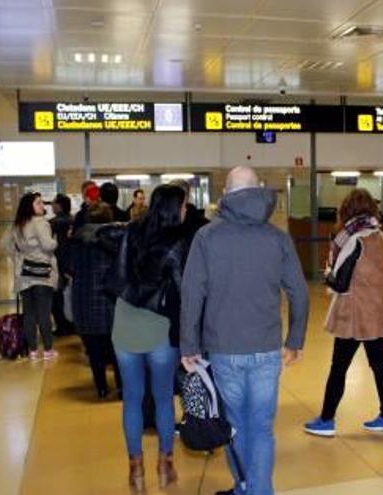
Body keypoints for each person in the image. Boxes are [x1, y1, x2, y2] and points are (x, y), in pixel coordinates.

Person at [181, 166, 310, 495]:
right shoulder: (277, 237)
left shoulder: (207, 237)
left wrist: (188, 345)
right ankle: (257, 489)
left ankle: (248, 488)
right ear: (260, 192)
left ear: (225, 195)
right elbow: (299, 291)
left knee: (236, 426)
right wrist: (295, 340)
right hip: (267, 348)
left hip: (224, 349)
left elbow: (192, 293)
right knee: (263, 428)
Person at [110, 185, 190, 490]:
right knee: (162, 400)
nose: (186, 210)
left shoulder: (131, 232)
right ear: (173, 208)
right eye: (183, 205)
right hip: (159, 326)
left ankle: (136, 467)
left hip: (125, 322)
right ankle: (165, 465)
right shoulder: (176, 243)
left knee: (131, 398)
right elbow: (183, 291)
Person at [304, 189, 383, 438]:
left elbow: (340, 283)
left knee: (339, 367)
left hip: (354, 314)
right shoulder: (382, 236)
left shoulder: (354, 239)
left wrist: (327, 275)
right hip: (378, 311)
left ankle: (326, 420)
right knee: (379, 366)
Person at [67, 201, 121, 398]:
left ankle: (101, 387)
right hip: (110, 299)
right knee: (116, 349)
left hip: (84, 299)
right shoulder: (117, 240)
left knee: (94, 350)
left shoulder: (77, 240)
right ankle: (121, 386)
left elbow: (70, 268)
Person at [2, 192, 58, 360]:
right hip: (43, 274)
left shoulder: (17, 225)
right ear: (30, 207)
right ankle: (48, 350)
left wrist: (19, 255)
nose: (43, 206)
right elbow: (48, 245)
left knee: (29, 314)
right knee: (44, 313)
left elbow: (4, 245)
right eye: (39, 203)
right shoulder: (40, 223)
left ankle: (32, 350)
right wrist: (56, 240)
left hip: (24, 275)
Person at [50, 194, 75, 336]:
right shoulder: (74, 220)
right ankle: (72, 324)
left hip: (58, 262)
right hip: (72, 263)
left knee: (57, 296)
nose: (52, 206)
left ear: (59, 205)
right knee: (70, 295)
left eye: (53, 203)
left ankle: (62, 325)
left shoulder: (53, 223)